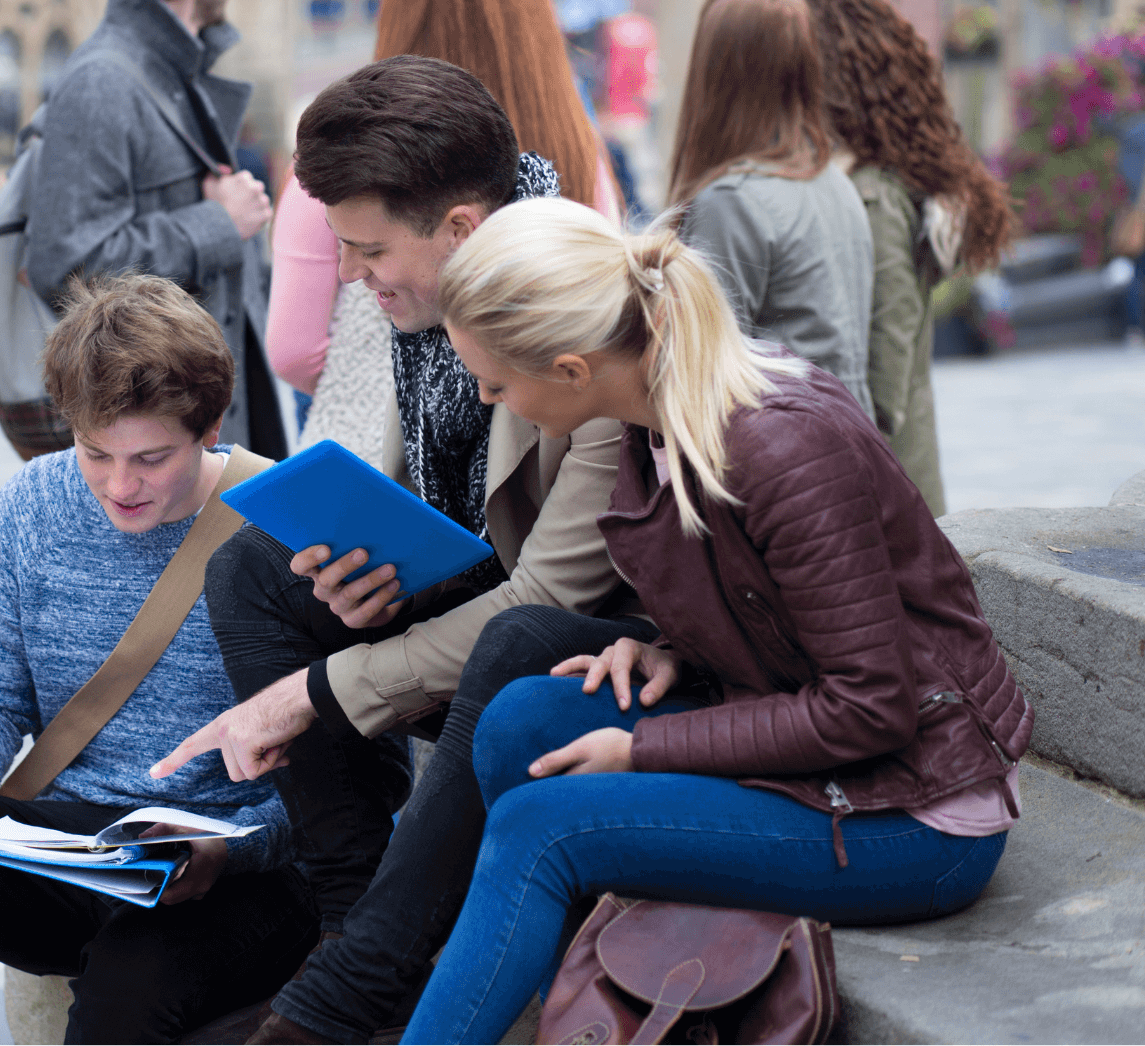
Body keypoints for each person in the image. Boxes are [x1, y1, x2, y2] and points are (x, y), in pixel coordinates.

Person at [401, 195, 1032, 1043]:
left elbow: (871, 705)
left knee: (541, 827)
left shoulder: (780, 447)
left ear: (572, 368)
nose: (489, 400)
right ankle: (595, 1015)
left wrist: (640, 749)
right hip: (815, 741)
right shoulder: (657, 407)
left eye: (498, 382)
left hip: (916, 811)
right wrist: (675, 651)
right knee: (520, 720)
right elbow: (769, 611)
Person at [157, 57, 654, 1045]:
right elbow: (426, 520)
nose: (347, 273)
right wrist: (368, 581)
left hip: (599, 641)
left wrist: (314, 689)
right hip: (491, 594)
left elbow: (548, 591)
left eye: (367, 248)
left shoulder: (583, 312)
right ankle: (350, 912)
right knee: (257, 567)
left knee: (507, 644)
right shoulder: (410, 305)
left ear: (462, 230)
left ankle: (359, 976)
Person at [0, 274, 315, 1044]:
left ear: (211, 426)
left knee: (131, 973)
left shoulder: (285, 528)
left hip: (235, 865)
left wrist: (229, 850)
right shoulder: (33, 502)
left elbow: (349, 770)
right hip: (79, 852)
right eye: (94, 452)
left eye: (151, 458)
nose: (120, 486)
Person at [267, 0, 618, 463]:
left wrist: (366, 375)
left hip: (364, 456)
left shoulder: (347, 151)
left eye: (367, 249)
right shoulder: (578, 143)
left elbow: (292, 348)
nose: (352, 269)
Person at [24, 0, 285, 460]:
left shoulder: (166, 67)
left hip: (193, 424)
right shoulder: (104, 82)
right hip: (151, 446)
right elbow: (68, 266)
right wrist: (218, 224)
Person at [800, 0, 1015, 516]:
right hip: (898, 489)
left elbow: (883, 375)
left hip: (881, 505)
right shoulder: (872, 181)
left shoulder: (872, 197)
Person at [667, 0, 875, 416]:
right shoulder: (834, 183)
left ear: (716, 74)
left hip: (777, 457)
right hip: (842, 440)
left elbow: (700, 375)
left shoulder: (733, 202)